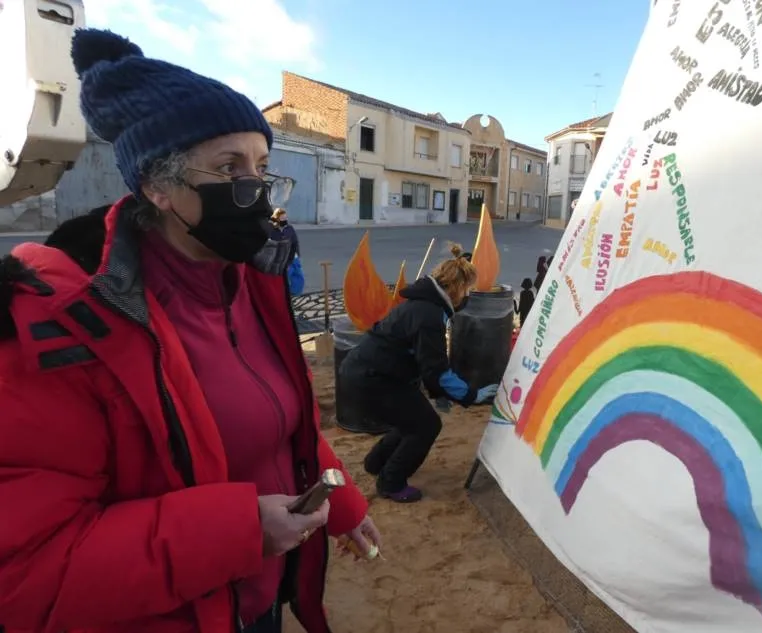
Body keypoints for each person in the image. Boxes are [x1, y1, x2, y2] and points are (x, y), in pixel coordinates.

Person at [0, 28, 378, 633]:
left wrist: (340, 506)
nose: (256, 192)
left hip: (258, 598)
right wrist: (238, 532)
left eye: (262, 166)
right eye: (229, 167)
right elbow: (24, 574)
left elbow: (279, 423)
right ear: (157, 185)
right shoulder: (61, 326)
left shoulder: (252, 283)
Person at [338, 243, 498, 503]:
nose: (467, 296)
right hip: (371, 380)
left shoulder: (424, 304)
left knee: (411, 418)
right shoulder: (429, 315)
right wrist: (471, 395)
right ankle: (391, 481)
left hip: (368, 373)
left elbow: (424, 361)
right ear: (457, 289)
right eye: (467, 290)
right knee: (426, 426)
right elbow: (436, 368)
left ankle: (376, 461)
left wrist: (440, 392)